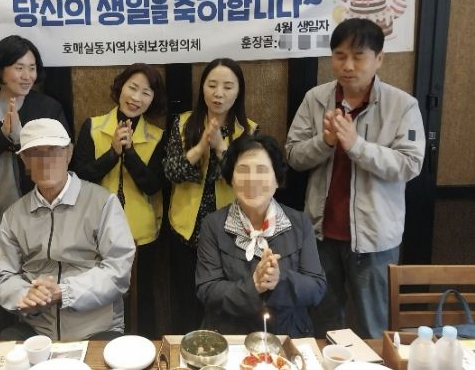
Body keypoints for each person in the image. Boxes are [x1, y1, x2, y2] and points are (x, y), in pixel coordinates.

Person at [285, 18, 425, 338]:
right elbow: (293, 155)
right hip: (320, 236)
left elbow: (410, 164)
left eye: (358, 56)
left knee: (373, 328)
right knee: (323, 325)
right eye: (340, 55)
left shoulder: (402, 105)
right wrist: (325, 143)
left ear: (379, 58)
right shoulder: (315, 99)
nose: (347, 65)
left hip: (375, 241)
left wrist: (356, 146)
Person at [0, 35, 68, 339]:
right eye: (19, 68)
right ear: (1, 69)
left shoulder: (48, 107)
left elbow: (59, 160)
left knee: (36, 294)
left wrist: (20, 140)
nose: (27, 75)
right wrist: (2, 135)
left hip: (38, 222)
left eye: (32, 68)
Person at [0, 118, 136, 341]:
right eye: (35, 154)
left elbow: (118, 268)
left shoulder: (103, 202)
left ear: (68, 154)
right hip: (37, 329)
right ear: (25, 161)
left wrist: (64, 292)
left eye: (53, 151)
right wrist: (25, 295)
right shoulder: (14, 215)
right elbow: (3, 275)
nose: (45, 161)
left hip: (96, 327)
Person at [196, 132, 326, 336]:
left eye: (262, 171)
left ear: (277, 180)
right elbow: (207, 290)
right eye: (243, 170)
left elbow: (316, 288)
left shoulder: (299, 223)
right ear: (231, 179)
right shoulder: (213, 225)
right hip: (230, 337)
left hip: (288, 335)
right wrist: (253, 285)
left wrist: (279, 280)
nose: (252, 179)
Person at [71, 63, 167, 337]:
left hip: (141, 235)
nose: (136, 98)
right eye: (132, 88)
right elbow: (80, 177)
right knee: (99, 299)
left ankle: (143, 350)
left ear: (153, 99)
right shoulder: (93, 126)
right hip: (95, 231)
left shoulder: (158, 136)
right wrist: (113, 153)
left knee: (141, 301)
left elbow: (153, 185)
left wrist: (131, 153)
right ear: (120, 87)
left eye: (146, 92)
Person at [163, 57, 257, 333]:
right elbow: (171, 171)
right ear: (202, 87)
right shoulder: (183, 123)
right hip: (186, 229)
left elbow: (249, 183)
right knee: (185, 300)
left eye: (228, 86)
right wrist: (201, 146)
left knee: (222, 301)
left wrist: (220, 148)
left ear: (239, 91)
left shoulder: (249, 131)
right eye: (212, 85)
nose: (219, 93)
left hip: (230, 233)